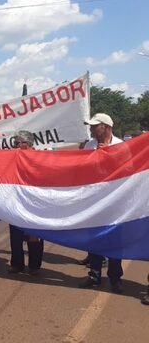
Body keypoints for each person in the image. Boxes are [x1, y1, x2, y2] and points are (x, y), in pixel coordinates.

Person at [78, 113, 125, 293]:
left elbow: (129, 171)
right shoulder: (89, 145)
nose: (91, 129)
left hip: (114, 202)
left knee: (114, 241)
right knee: (94, 239)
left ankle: (115, 278)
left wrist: (110, 157)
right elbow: (81, 169)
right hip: (94, 201)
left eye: (94, 126)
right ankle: (94, 275)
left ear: (104, 127)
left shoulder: (121, 145)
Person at [7, 130, 44, 276]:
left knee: (33, 236)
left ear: (27, 144)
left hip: (33, 202)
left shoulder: (39, 157)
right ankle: (17, 264)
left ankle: (34, 265)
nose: (16, 146)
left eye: (18, 143)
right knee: (15, 235)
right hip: (15, 201)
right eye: (14, 143)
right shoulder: (12, 157)